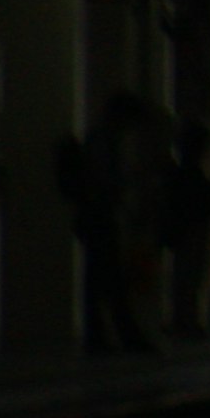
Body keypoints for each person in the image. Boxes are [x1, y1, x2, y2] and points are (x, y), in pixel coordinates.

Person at [58, 91, 154, 354]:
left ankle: (103, 336)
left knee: (100, 279)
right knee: (110, 280)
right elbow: (103, 183)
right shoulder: (102, 142)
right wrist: (126, 184)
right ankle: (120, 337)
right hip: (99, 217)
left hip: (95, 217)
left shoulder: (99, 139)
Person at [160, 118, 210, 338]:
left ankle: (184, 320)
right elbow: (203, 202)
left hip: (185, 229)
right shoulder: (191, 175)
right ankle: (186, 321)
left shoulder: (181, 173)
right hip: (192, 229)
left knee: (186, 277)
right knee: (189, 277)